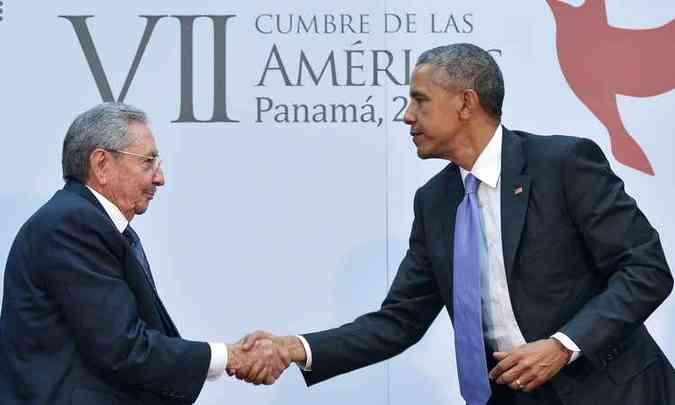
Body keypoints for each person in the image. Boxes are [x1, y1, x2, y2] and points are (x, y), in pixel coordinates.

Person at [236, 43, 675, 404]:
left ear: (467, 102)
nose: (407, 115)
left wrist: (563, 345)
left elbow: (646, 269)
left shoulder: (562, 164)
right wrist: (294, 348)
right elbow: (399, 322)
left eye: (420, 100)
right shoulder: (435, 202)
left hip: (618, 391)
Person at [0, 103, 290, 405]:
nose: (160, 177)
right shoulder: (72, 224)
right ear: (101, 164)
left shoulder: (91, 224)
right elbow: (123, 348)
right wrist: (228, 356)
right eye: (148, 162)